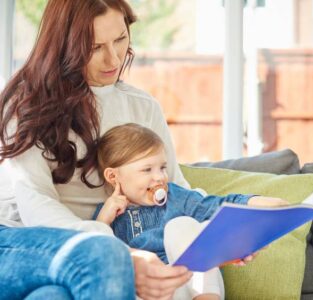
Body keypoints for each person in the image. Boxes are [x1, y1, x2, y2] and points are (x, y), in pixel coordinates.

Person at [0, 0, 192, 299]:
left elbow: (175, 188)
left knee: (53, 297)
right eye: (94, 47)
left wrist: (221, 234)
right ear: (64, 46)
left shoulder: (141, 107)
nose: (113, 58)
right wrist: (118, 254)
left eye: (120, 39)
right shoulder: (27, 104)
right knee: (105, 255)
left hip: (98, 252)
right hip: (22, 240)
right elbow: (34, 201)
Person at [91, 123, 289, 300]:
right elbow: (98, 257)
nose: (159, 177)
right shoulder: (108, 214)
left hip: (190, 285)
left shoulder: (176, 197)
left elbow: (215, 207)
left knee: (182, 225)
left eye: (162, 167)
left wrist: (257, 202)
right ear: (113, 177)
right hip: (151, 291)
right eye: (147, 170)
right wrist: (103, 221)